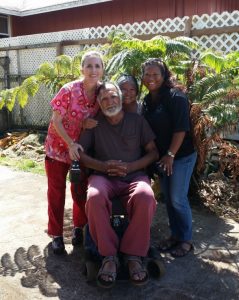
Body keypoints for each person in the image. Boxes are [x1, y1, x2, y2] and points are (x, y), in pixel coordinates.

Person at [78, 82, 158, 288]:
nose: (109, 101)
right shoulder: (93, 124)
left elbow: (153, 152)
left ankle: (133, 255)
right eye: (104, 98)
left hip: (134, 176)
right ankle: (109, 256)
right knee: (94, 197)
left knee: (146, 196)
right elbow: (82, 155)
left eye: (113, 96)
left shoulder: (137, 121)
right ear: (99, 103)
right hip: (103, 177)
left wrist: (132, 166)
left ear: (120, 99)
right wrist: (103, 166)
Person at [44, 50, 104, 254]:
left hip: (81, 151)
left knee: (80, 191)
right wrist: (70, 143)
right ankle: (56, 234)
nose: (93, 70)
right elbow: (56, 120)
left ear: (102, 69)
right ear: (82, 69)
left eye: (97, 66)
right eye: (89, 66)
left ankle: (79, 227)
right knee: (56, 192)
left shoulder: (101, 93)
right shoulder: (69, 90)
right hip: (58, 149)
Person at [141, 58, 197, 258]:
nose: (151, 78)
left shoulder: (176, 97)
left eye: (155, 74)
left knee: (178, 198)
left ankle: (187, 241)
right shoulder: (147, 101)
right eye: (147, 74)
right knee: (169, 199)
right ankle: (176, 235)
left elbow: (181, 129)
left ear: (164, 76)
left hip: (181, 156)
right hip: (163, 158)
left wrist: (171, 155)